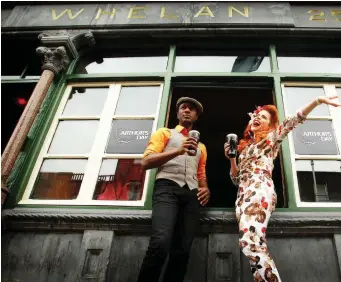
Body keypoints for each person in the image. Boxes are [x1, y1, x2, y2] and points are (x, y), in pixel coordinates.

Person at [224, 95, 340, 282]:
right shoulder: (245, 149)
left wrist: (317, 101)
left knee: (251, 244)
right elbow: (236, 179)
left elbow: (292, 121)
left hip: (259, 190)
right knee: (250, 245)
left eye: (263, 117)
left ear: (269, 126)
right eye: (256, 115)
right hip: (242, 196)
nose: (257, 117)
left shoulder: (270, 140)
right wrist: (231, 158)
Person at [137, 97, 211, 282]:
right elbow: (146, 162)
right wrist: (177, 151)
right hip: (167, 188)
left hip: (191, 194)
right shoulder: (165, 133)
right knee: (160, 243)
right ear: (178, 113)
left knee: (183, 250)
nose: (187, 110)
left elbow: (201, 173)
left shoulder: (201, 146)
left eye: (191, 109)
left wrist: (206, 189)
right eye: (183, 108)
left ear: (196, 116)